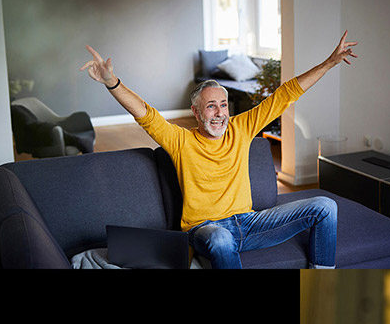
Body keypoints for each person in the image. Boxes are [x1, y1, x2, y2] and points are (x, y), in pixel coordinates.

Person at [79, 33, 358, 269]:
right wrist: (111, 82)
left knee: (325, 206)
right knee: (221, 239)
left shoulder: (242, 127)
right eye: (211, 106)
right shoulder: (180, 141)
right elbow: (145, 114)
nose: (219, 113)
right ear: (196, 112)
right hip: (206, 231)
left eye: (223, 105)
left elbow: (286, 94)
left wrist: (329, 63)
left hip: (250, 224)